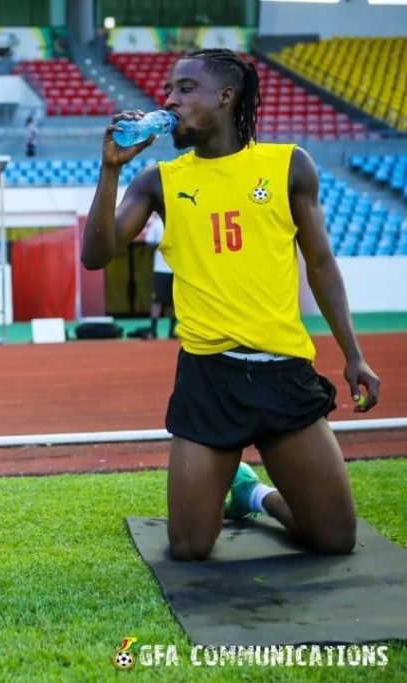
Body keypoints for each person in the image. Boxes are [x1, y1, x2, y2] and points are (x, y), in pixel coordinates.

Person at [81, 49, 380, 562]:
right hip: (208, 378)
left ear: (226, 96)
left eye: (184, 88)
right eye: (169, 90)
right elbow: (95, 256)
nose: (170, 99)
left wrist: (353, 354)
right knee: (190, 547)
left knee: (335, 539)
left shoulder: (289, 165)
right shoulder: (158, 182)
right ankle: (244, 488)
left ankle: (255, 495)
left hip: (283, 373)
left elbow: (323, 264)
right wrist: (110, 171)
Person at [142, 213, 176, 339]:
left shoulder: (176, 223)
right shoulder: (156, 224)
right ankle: (153, 330)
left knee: (174, 302)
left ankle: (172, 331)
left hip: (175, 269)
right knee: (157, 300)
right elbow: (148, 243)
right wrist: (163, 245)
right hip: (161, 269)